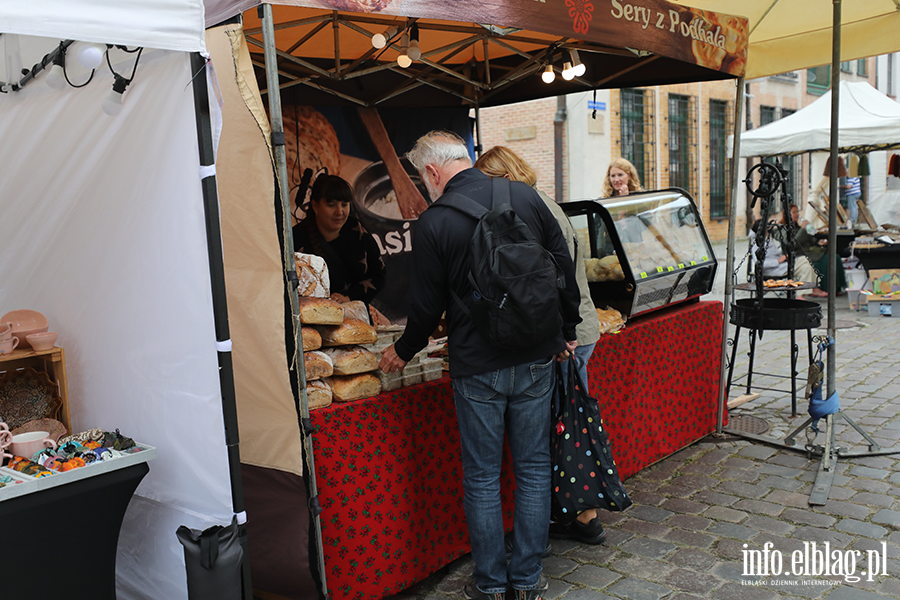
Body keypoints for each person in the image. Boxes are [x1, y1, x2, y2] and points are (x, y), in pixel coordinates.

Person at [379, 131, 581, 600]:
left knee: (483, 476)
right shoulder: (525, 195)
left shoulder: (433, 223)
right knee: (533, 468)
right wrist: (566, 330)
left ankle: (491, 586)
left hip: (477, 366)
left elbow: (426, 309)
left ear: (431, 172)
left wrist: (403, 351)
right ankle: (527, 581)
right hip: (535, 356)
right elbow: (562, 268)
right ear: (464, 159)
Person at [473, 146, 606, 544]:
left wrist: (557, 334)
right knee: (566, 428)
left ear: (502, 177)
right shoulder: (545, 204)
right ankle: (578, 514)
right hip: (576, 330)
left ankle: (580, 517)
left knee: (562, 432)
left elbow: (548, 281)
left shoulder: (529, 210)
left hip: (563, 338)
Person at [292, 174, 385, 304]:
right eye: (331, 205)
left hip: (356, 318)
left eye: (344, 204)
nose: (339, 212)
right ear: (315, 205)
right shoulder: (295, 239)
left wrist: (349, 297)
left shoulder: (356, 229)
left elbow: (379, 274)